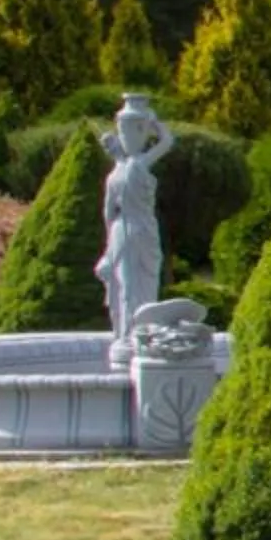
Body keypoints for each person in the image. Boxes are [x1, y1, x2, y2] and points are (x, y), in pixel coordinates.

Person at [95, 97, 175, 354]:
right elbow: (167, 141)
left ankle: (134, 333)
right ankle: (130, 335)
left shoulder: (127, 170)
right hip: (132, 231)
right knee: (129, 286)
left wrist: (109, 248)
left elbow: (108, 215)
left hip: (132, 230)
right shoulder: (132, 168)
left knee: (135, 285)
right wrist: (154, 123)